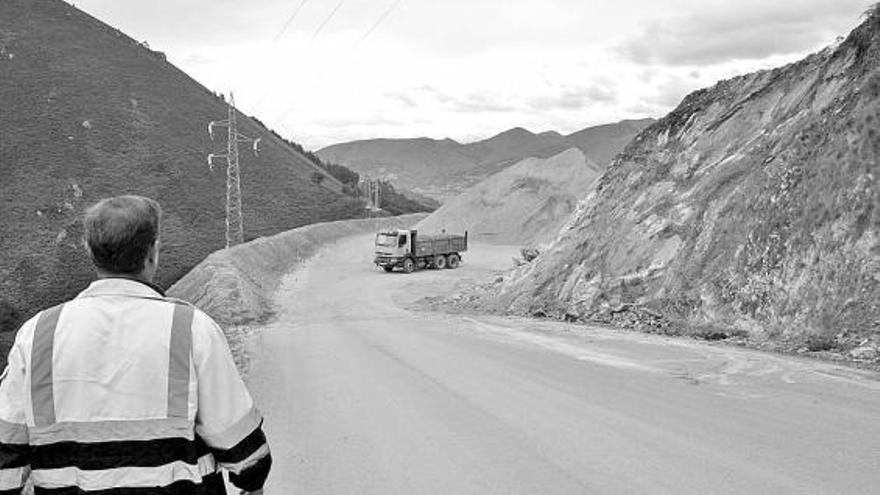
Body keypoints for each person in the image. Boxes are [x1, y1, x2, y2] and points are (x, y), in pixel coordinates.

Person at [0, 195, 271, 494]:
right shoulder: (192, 329)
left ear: (90, 252)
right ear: (153, 252)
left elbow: (6, 447)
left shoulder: (36, 334)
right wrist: (252, 482)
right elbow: (237, 438)